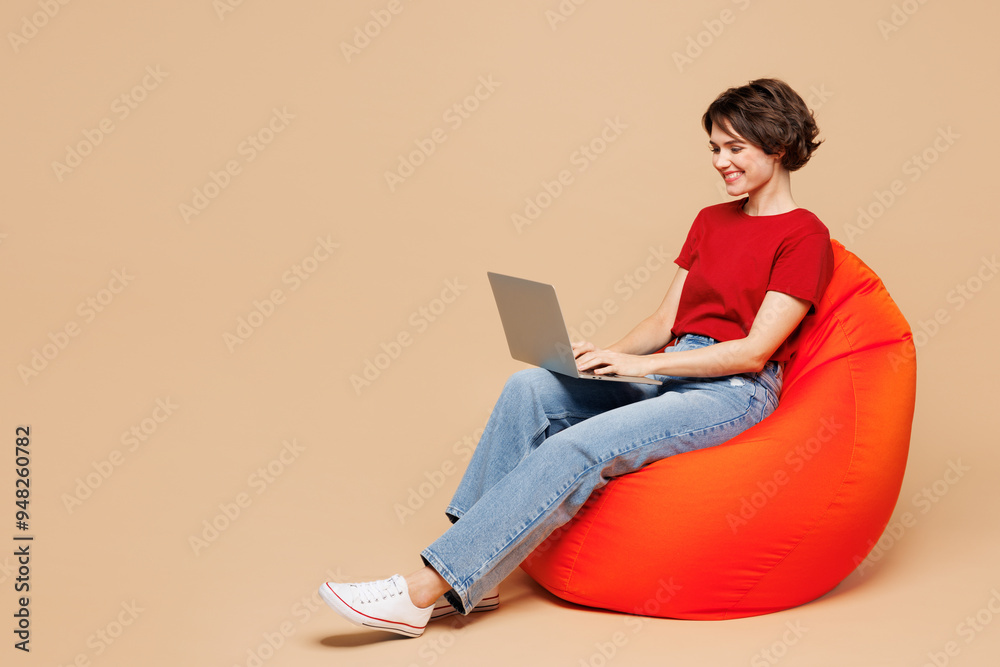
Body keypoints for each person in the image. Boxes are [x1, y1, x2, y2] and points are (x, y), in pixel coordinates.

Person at [320, 78, 834, 637]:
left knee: (579, 444)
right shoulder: (711, 221)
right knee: (530, 387)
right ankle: (477, 579)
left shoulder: (805, 235)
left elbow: (756, 352)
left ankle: (423, 590)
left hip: (731, 392)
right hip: (672, 366)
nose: (720, 162)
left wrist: (648, 366)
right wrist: (610, 355)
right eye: (714, 148)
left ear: (777, 145)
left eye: (735, 148)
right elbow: (664, 322)